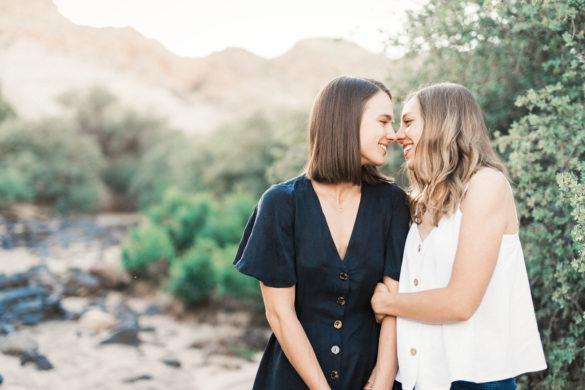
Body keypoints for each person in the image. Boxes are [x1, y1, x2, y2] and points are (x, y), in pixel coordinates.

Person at [233, 76, 410, 390]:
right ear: (345, 121)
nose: (392, 134)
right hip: (294, 380)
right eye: (382, 121)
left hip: (370, 379)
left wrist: (381, 381)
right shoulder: (280, 203)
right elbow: (279, 313)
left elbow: (393, 302)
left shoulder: (393, 203)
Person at [371, 83, 547, 390]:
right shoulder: (418, 201)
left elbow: (460, 303)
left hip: (472, 377)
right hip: (414, 378)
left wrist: (387, 304)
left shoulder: (486, 185)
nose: (398, 135)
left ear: (443, 121)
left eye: (408, 122)